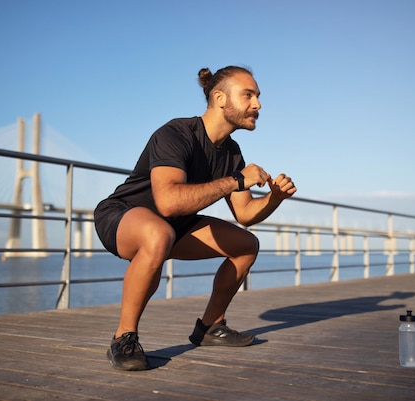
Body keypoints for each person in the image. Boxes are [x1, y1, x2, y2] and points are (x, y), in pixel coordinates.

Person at [94, 65, 296, 371]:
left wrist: (274, 198)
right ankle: (124, 338)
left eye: (257, 96)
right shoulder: (176, 133)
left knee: (245, 245)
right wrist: (235, 181)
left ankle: (209, 327)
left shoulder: (231, 152)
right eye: (248, 95)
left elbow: (245, 214)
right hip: (123, 215)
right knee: (158, 233)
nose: (258, 104)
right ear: (219, 98)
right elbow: (169, 202)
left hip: (173, 224)